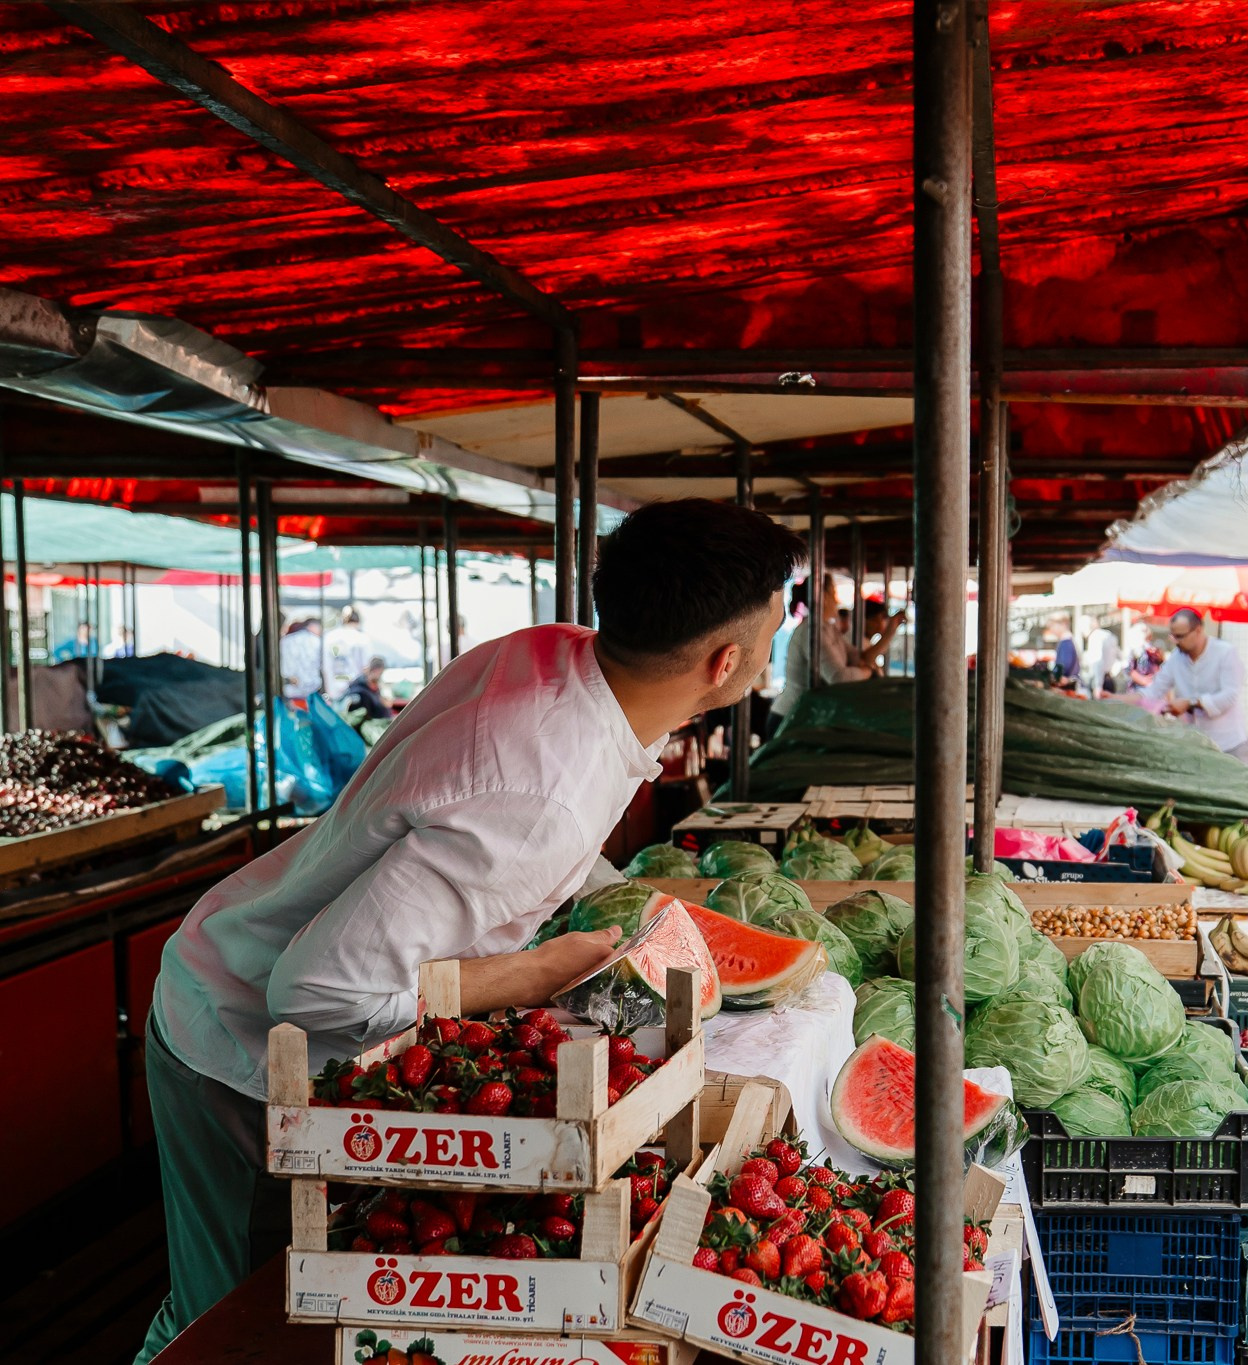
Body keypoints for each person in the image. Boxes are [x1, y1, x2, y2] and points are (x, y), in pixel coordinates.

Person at [134, 499, 803, 1363]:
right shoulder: (539, 794)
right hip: (234, 1043)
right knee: (230, 1325)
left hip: (258, 978)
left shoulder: (557, 656)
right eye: (774, 634)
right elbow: (316, 992)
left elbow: (508, 828)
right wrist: (525, 975)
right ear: (726, 662)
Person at [1142, 609, 1248, 760]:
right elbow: (1152, 692)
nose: (1176, 641)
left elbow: (1229, 696)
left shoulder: (1225, 653)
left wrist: (1190, 703)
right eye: (1173, 636)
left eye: (1180, 636)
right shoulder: (1176, 658)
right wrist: (1116, 698)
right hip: (1195, 745)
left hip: (1229, 744)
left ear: (1198, 630)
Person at [772, 573, 872, 726]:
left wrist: (891, 630)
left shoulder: (828, 629)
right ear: (824, 597)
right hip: (791, 718)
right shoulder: (811, 631)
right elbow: (838, 677)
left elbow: (860, 657)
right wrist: (868, 672)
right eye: (833, 594)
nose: (837, 600)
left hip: (804, 715)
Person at [324, 607, 370, 697]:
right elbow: (366, 666)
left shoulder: (330, 637)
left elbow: (326, 666)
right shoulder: (362, 639)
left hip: (334, 685)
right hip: (356, 687)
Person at [279, 617, 323, 701]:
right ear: (313, 626)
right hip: (311, 691)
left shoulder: (285, 641)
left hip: (289, 691)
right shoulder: (317, 641)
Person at [340, 655, 393, 721]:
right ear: (375, 670)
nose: (380, 676)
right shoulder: (360, 692)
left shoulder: (374, 687)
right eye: (380, 673)